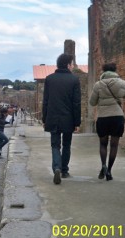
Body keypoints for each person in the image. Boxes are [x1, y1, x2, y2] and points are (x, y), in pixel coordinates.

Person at [89, 63, 125, 181]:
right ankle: (109, 171)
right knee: (114, 145)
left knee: (103, 144)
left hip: (103, 117)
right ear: (115, 71)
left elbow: (92, 102)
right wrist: (121, 95)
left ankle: (103, 165)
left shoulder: (98, 85)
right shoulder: (122, 83)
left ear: (103, 71)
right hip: (117, 117)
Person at [42, 53, 81, 185]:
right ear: (68, 64)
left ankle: (56, 167)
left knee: (55, 145)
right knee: (67, 144)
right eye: (72, 64)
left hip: (52, 117)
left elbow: (45, 101)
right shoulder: (74, 80)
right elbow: (76, 103)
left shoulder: (49, 79)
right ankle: (64, 170)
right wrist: (77, 122)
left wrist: (44, 118)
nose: (73, 66)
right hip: (68, 118)